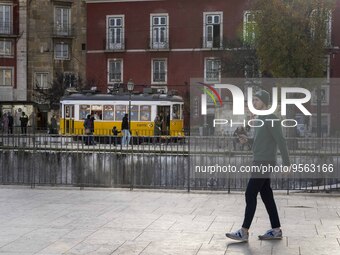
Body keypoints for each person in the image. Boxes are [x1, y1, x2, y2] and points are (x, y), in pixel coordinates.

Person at [226, 90, 290, 242]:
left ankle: (244, 231)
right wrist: (247, 141)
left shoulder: (271, 118)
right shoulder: (260, 118)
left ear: (264, 102)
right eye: (252, 100)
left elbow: (281, 141)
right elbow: (261, 141)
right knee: (266, 194)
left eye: (256, 100)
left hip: (265, 162)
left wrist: (287, 164)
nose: (253, 103)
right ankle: (276, 230)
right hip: (260, 160)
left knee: (250, 193)